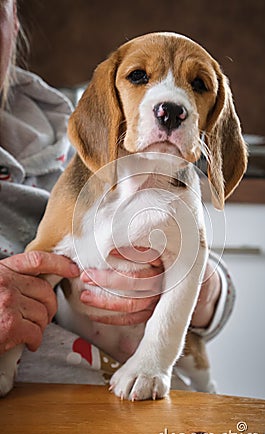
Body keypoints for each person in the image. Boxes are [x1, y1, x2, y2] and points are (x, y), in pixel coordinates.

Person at [0, 0, 235, 391]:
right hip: (46, 408)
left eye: (199, 85)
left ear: (14, 21)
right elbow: (41, 259)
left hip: (160, 393)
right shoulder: (84, 154)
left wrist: (203, 283)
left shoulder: (63, 126)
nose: (172, 106)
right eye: (139, 76)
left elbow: (207, 286)